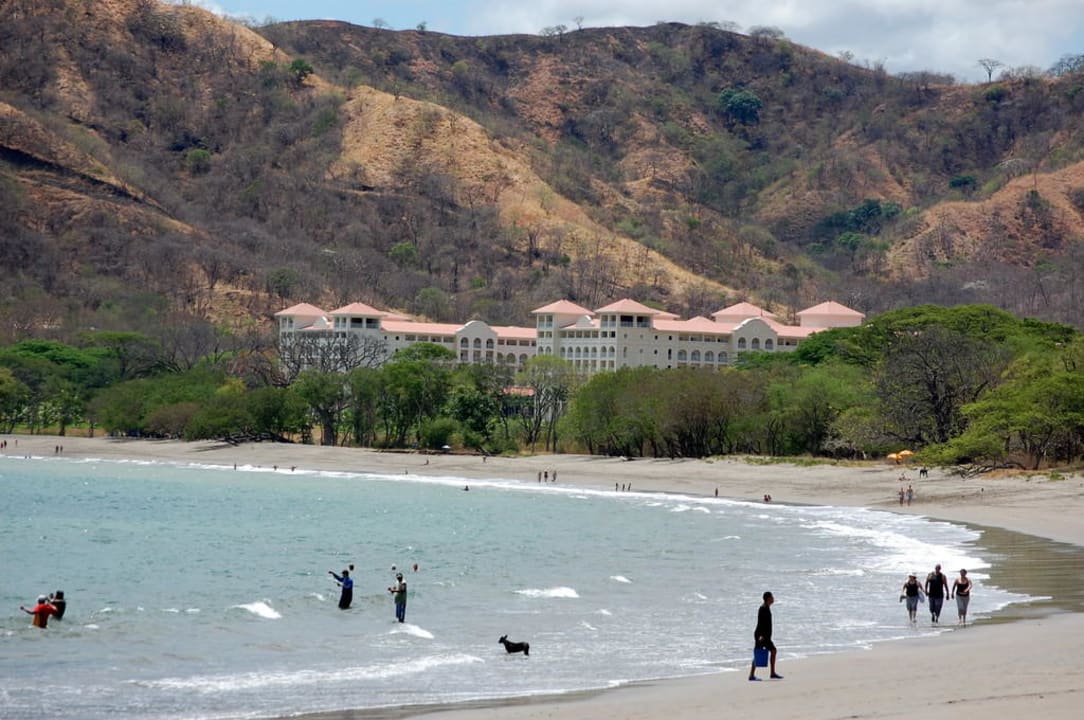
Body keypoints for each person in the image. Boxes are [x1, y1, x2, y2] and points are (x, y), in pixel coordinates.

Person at [749, 591, 782, 681]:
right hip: (761, 636)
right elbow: (760, 624)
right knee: (760, 653)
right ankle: (752, 675)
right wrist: (760, 636)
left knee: (772, 651)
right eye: (772, 597)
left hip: (765, 636)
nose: (773, 599)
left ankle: (772, 673)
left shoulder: (767, 607)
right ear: (768, 599)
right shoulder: (763, 608)